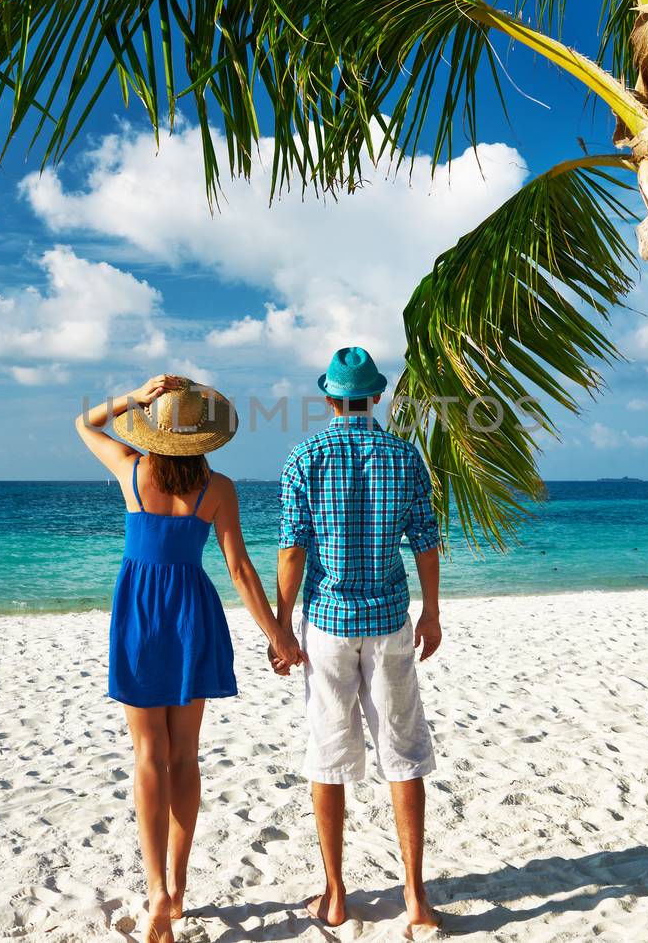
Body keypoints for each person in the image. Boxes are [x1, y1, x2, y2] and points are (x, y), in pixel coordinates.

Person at [76, 374, 301, 943]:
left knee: (149, 755)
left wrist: (136, 396)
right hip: (191, 615)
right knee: (186, 757)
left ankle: (154, 889)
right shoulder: (218, 487)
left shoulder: (133, 470)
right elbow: (241, 571)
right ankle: (177, 890)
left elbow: (84, 422)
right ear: (204, 437)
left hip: (140, 615)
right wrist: (278, 635)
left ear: (154, 428)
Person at [272, 347, 443, 932]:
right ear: (375, 397)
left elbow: (293, 548)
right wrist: (433, 613)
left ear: (329, 398)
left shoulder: (305, 456)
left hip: (327, 623)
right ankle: (415, 897)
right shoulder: (403, 456)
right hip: (391, 617)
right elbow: (424, 541)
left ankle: (336, 894)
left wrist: (280, 623)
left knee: (329, 755)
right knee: (404, 754)